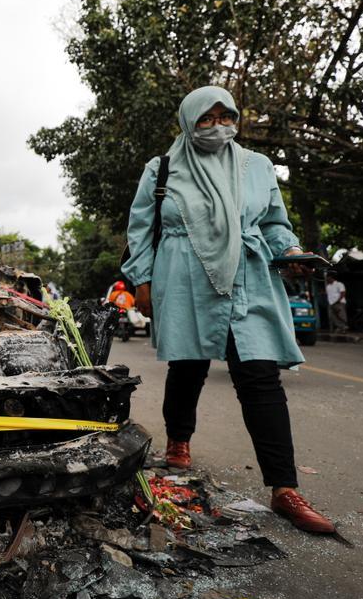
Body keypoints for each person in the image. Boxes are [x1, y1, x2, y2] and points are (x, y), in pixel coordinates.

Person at [122, 85, 335, 535]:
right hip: (184, 276)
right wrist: (141, 279)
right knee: (188, 366)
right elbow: (141, 227)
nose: (218, 127)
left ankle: (284, 489)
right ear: (188, 121)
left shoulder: (257, 167)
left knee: (259, 377)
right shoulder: (162, 168)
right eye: (207, 118)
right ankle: (179, 441)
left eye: (226, 117)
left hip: (249, 277)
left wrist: (292, 250)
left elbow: (275, 223)